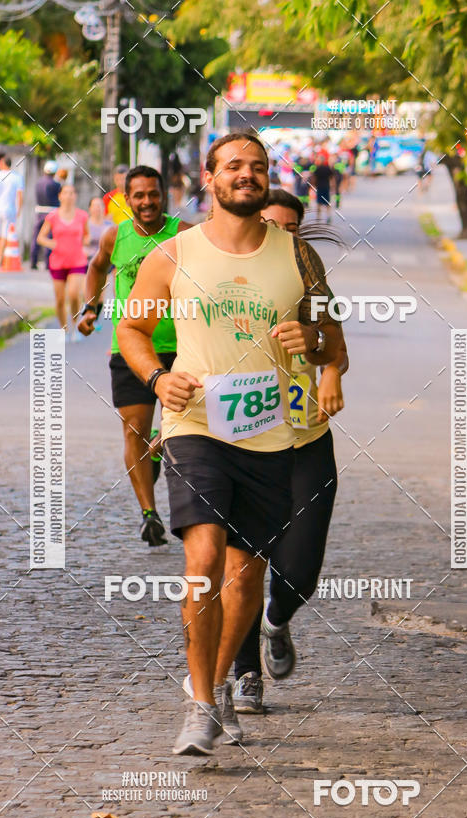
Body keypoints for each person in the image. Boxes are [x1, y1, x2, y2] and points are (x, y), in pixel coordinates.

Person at [118, 132, 343, 755]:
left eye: (258, 167)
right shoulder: (172, 254)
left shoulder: (298, 258)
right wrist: (158, 378)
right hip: (195, 425)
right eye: (234, 166)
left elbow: (333, 341)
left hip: (270, 434)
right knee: (203, 558)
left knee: (245, 576)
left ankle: (217, 689)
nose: (247, 175)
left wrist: (315, 346)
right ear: (210, 180)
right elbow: (132, 326)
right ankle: (196, 703)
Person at [232, 188, 348, 714]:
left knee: (298, 570)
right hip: (237, 439)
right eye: (271, 225)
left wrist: (326, 367)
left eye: (290, 229)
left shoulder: (309, 275)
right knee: (242, 566)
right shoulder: (219, 278)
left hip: (304, 438)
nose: (281, 236)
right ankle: (245, 675)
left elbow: (335, 346)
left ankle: (277, 622)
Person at [79, 165, 191, 547]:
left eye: (153, 195)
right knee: (133, 430)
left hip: (182, 347)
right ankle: (149, 513)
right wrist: (91, 309)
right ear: (127, 200)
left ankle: (160, 448)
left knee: (183, 427)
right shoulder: (116, 236)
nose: (147, 202)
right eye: (139, 196)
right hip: (130, 348)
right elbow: (95, 269)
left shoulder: (184, 234)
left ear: (165, 196)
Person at [37, 183, 88, 340]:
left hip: (77, 260)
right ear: (60, 196)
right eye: (65, 193)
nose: (69, 196)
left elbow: (87, 235)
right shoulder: (52, 216)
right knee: (59, 300)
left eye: (72, 193)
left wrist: (85, 242)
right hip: (58, 261)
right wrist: (52, 244)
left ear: (75, 196)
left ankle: (76, 326)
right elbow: (40, 237)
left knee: (74, 294)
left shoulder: (82, 216)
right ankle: (63, 329)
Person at [0, 156, 24, 266]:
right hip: (10, 209)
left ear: (2, 163)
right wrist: (19, 210)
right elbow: (20, 196)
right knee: (5, 235)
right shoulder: (17, 177)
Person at [31, 161, 60, 270]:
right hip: (52, 212)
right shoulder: (56, 185)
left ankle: (33, 262)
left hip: (39, 212)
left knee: (36, 237)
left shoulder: (38, 183)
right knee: (49, 237)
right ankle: (48, 263)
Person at [311, 154, 334, 223]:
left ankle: (318, 218)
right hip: (326, 187)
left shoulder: (317, 169)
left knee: (319, 203)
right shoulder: (328, 168)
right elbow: (332, 178)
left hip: (319, 187)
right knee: (327, 203)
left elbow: (314, 178)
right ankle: (328, 216)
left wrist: (313, 186)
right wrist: (333, 186)